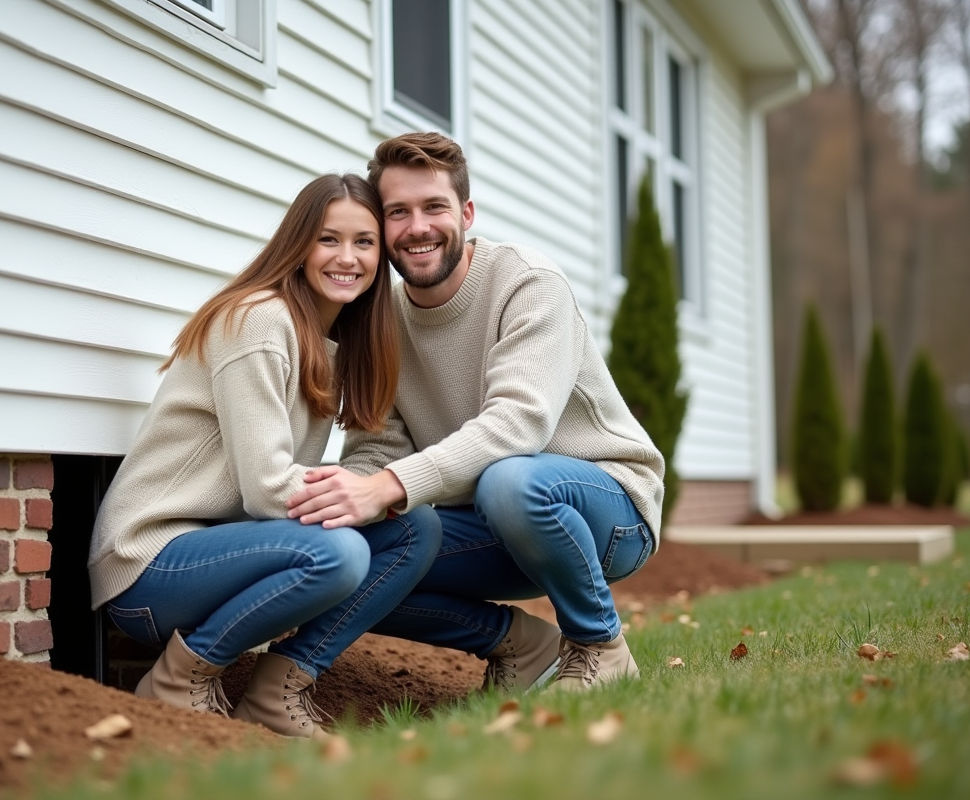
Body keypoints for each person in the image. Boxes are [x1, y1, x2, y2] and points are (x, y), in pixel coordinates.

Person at [286, 133, 665, 694]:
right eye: (398, 212)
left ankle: (600, 646)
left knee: (510, 479)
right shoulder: (380, 318)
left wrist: (388, 485)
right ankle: (518, 645)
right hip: (494, 525)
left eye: (434, 207)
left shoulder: (528, 284)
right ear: (381, 226)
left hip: (607, 509)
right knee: (359, 559)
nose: (417, 227)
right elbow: (379, 446)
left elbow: (519, 425)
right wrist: (344, 496)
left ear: (465, 212)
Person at [88, 173, 441, 739]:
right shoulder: (258, 319)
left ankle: (277, 689)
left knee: (416, 526)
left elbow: (377, 453)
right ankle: (180, 678)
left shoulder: (339, 338)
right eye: (328, 239)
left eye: (364, 242)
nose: (346, 258)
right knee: (341, 554)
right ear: (298, 244)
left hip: (226, 553)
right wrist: (359, 496)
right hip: (148, 566)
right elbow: (266, 487)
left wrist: (379, 489)